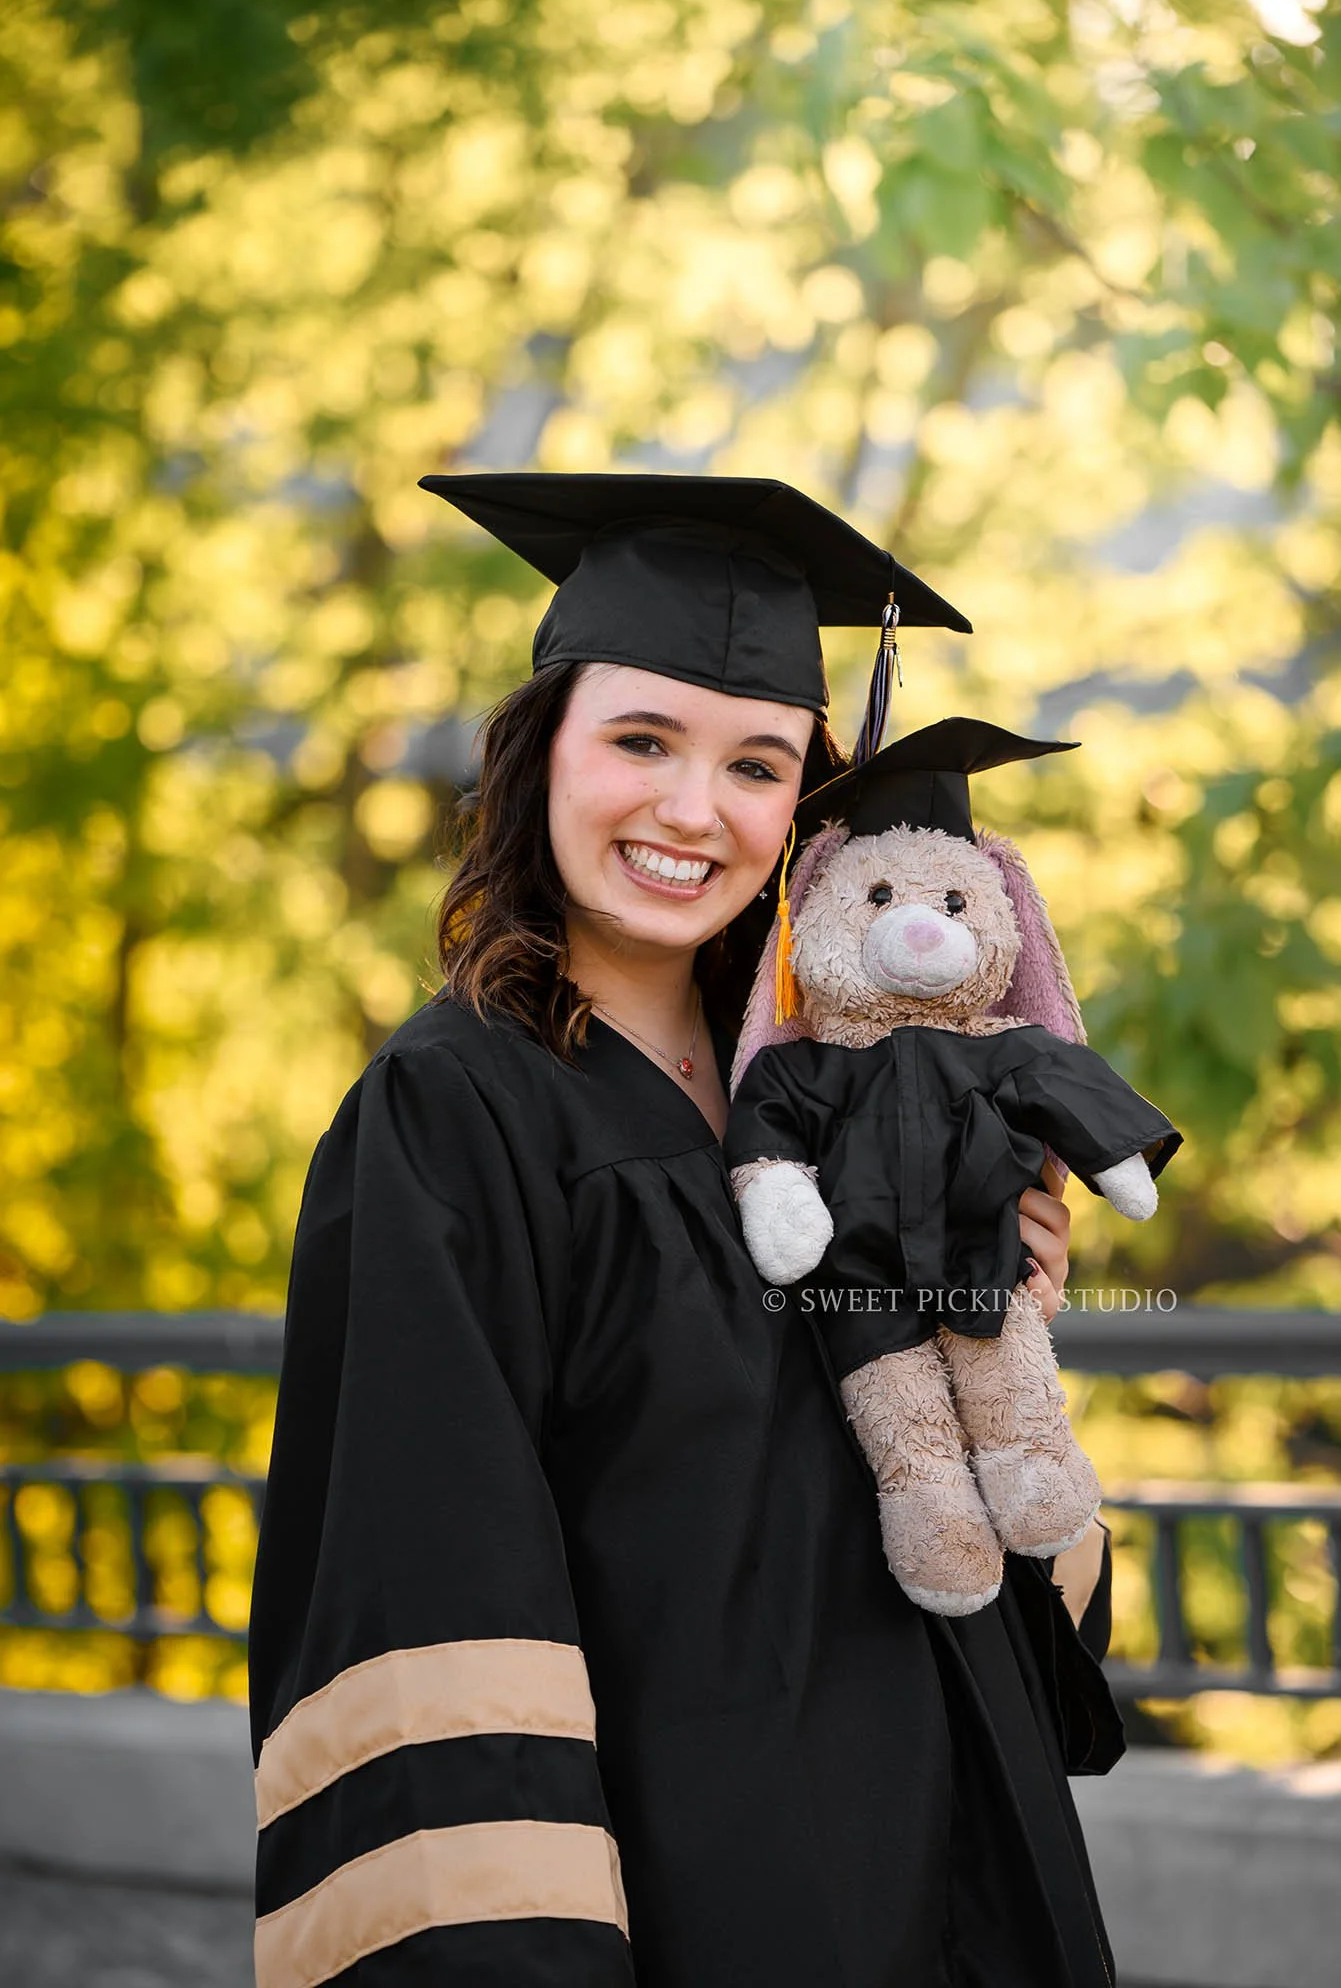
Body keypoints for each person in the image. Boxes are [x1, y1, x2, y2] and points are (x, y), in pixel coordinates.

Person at [248, 474, 1124, 1988]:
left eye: (756, 765)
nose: (691, 810)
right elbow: (425, 1571)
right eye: (640, 741)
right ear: (541, 752)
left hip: (957, 1862)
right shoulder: (453, 1115)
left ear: (806, 814)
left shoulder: (842, 1089)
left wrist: (1003, 1320)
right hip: (694, 1897)